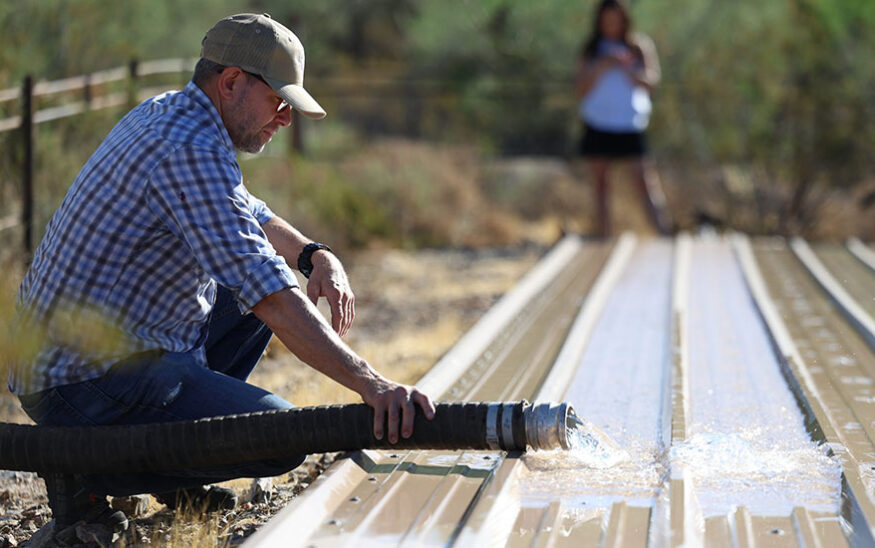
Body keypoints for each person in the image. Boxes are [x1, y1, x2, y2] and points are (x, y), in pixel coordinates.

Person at [7, 13, 435, 536]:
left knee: (262, 289)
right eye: (279, 101)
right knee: (279, 438)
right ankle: (84, 468)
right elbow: (269, 294)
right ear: (231, 81)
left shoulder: (176, 114)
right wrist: (373, 385)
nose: (285, 119)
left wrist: (314, 254)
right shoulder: (186, 147)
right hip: (80, 381)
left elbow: (245, 211)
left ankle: (169, 471)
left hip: (93, 353)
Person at [575, 0, 670, 237]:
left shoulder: (638, 46)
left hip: (630, 123)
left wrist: (628, 69)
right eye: (607, 19)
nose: (611, 24)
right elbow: (580, 87)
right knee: (601, 185)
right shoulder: (593, 49)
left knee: (644, 181)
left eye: (616, 19)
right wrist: (603, 65)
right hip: (598, 122)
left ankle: (663, 234)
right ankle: (603, 237)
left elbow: (652, 83)